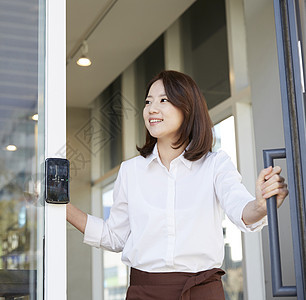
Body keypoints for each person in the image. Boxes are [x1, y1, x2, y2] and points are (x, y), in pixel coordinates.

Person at [66, 70, 289, 300]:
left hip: (202, 292)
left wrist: (262, 205)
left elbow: (241, 209)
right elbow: (115, 237)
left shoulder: (215, 164)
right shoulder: (130, 171)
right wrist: (64, 207)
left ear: (187, 108)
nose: (152, 108)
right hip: (144, 293)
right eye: (148, 102)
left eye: (163, 100)